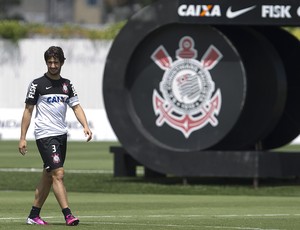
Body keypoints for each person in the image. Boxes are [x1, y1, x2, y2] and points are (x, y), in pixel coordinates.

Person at [18, 46, 93, 226]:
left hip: (61, 135)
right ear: (46, 63)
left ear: (62, 63)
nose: (53, 65)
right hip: (45, 135)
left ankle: (33, 215)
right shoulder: (37, 84)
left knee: (48, 175)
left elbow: (76, 106)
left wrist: (85, 125)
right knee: (58, 174)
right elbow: (28, 111)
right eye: (50, 62)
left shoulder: (67, 85)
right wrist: (22, 137)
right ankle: (68, 215)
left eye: (56, 62)